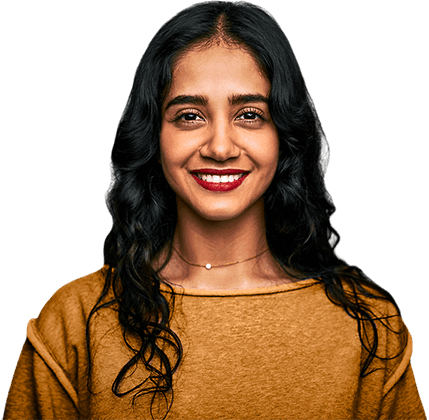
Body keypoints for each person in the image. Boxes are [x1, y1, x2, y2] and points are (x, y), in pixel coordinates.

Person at [2, 1, 426, 419]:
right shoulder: (75, 322)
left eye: (249, 115)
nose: (220, 147)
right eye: (189, 116)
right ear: (153, 136)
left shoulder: (368, 325)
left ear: (285, 136)